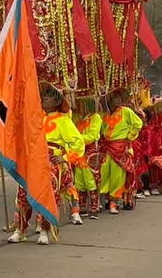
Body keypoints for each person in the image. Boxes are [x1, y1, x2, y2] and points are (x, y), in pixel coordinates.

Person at [8, 83, 84, 243]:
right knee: (23, 192)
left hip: (51, 161)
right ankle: (20, 229)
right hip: (32, 159)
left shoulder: (63, 120)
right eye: (43, 95)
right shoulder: (35, 116)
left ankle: (44, 230)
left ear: (57, 101)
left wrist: (65, 157)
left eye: (48, 96)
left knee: (47, 194)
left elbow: (78, 142)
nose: (44, 98)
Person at [100, 88, 143, 213]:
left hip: (120, 147)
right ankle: (105, 199)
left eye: (120, 98)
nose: (118, 100)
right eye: (115, 98)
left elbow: (138, 123)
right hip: (107, 147)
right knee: (104, 172)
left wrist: (128, 137)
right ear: (109, 100)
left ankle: (114, 202)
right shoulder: (105, 114)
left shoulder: (126, 111)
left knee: (118, 175)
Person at [73, 99, 103, 218]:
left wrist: (77, 139)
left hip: (90, 152)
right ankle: (83, 206)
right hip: (78, 152)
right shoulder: (76, 117)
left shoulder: (96, 117)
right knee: (79, 180)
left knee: (91, 179)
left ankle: (94, 206)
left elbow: (92, 136)